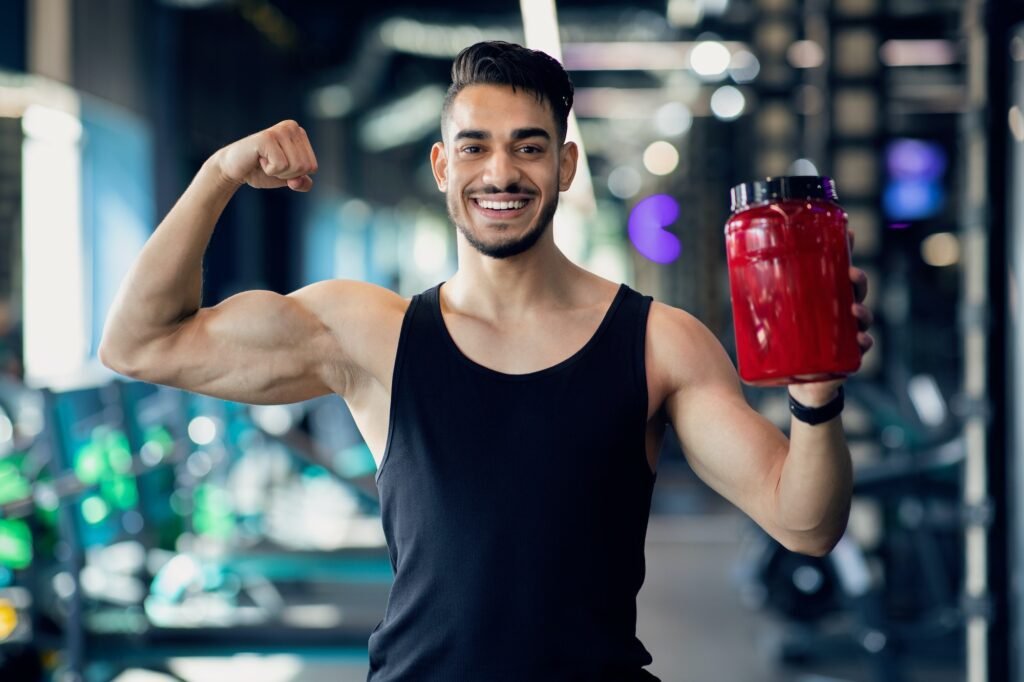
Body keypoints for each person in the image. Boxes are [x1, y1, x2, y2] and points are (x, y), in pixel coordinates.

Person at [100, 41, 874, 681]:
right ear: (444, 166)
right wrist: (219, 174)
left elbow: (805, 523)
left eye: (527, 148)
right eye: (475, 147)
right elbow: (139, 344)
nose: (500, 174)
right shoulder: (371, 332)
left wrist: (817, 394)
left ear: (565, 167)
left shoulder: (657, 341)